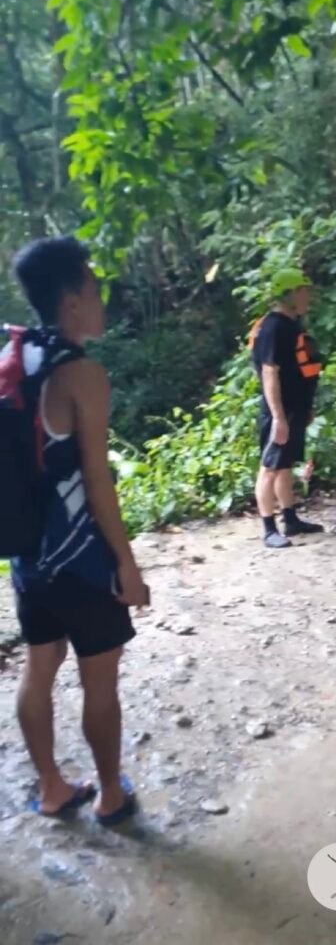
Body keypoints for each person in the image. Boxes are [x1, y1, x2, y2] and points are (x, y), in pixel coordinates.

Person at [9, 236, 147, 824]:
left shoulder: (16, 359)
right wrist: (127, 562)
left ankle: (51, 787)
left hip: (27, 554)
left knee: (39, 666)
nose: (99, 297)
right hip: (82, 557)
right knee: (99, 678)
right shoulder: (82, 375)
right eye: (92, 287)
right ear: (70, 302)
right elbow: (97, 481)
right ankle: (111, 795)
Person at [250, 268, 324, 548]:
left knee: (285, 465)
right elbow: (269, 373)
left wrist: (306, 407)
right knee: (269, 467)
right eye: (302, 291)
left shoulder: (293, 325)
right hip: (278, 412)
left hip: (294, 408)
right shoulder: (273, 327)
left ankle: (290, 519)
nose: (307, 295)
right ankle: (268, 527)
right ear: (289, 295)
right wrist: (279, 417)